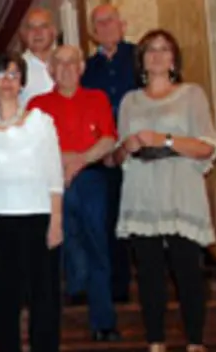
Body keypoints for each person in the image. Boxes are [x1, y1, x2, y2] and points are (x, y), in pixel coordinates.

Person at [112, 30, 216, 352]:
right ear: (141, 60)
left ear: (174, 58)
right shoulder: (129, 101)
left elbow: (207, 147)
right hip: (143, 195)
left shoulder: (191, 95)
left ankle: (196, 347)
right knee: (148, 277)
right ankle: (156, 347)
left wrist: (166, 139)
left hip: (180, 192)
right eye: (150, 50)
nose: (157, 56)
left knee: (188, 272)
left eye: (164, 50)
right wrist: (127, 147)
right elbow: (116, 157)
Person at [0, 52, 63, 352]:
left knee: (44, 298)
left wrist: (56, 220)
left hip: (38, 217)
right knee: (3, 300)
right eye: (0, 74)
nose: (7, 80)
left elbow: (54, 175)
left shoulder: (42, 122)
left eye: (13, 74)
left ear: (22, 82)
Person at [28, 46, 120, 342]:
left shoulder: (97, 98)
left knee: (97, 247)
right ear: (51, 70)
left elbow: (108, 139)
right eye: (59, 63)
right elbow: (32, 147)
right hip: (51, 184)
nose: (66, 68)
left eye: (72, 62)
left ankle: (103, 322)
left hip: (91, 179)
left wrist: (78, 161)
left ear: (81, 68)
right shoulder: (37, 104)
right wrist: (63, 163)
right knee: (53, 251)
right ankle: (52, 324)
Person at [81, 3, 139, 303]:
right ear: (93, 32)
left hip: (143, 152)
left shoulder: (141, 57)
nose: (105, 27)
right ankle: (119, 288)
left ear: (122, 25)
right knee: (112, 222)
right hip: (106, 157)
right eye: (99, 23)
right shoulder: (87, 69)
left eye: (110, 21)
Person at [19, 8, 57, 106]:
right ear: (23, 34)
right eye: (31, 27)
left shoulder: (68, 63)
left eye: (43, 26)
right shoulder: (16, 68)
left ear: (53, 31)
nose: (37, 32)